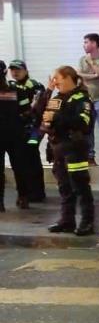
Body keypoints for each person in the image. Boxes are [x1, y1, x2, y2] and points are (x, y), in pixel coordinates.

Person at [34, 66, 95, 236]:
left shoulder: (81, 99)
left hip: (74, 149)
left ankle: (87, 222)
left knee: (80, 186)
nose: (54, 81)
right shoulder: (56, 98)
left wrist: (57, 117)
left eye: (57, 78)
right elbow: (38, 113)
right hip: (57, 149)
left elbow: (83, 124)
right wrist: (48, 91)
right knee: (64, 187)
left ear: (68, 77)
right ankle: (67, 221)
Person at [8, 60, 46, 202]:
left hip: (34, 128)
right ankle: (30, 191)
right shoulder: (13, 87)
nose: (15, 72)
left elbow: (37, 108)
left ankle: (37, 192)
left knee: (32, 157)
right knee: (24, 159)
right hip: (21, 130)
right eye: (12, 69)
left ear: (25, 70)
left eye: (17, 69)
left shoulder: (33, 85)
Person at [78, 33, 99, 169]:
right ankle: (90, 157)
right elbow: (79, 76)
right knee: (88, 130)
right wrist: (94, 75)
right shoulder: (82, 59)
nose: (84, 45)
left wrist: (92, 64)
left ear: (94, 44)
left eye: (86, 42)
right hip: (87, 100)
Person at [0, 60, 30, 211]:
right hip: (15, 134)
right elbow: (26, 111)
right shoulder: (17, 89)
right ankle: (23, 197)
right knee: (19, 167)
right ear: (5, 72)